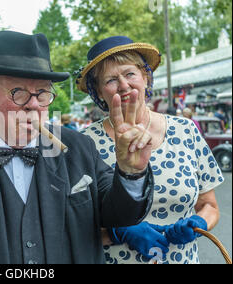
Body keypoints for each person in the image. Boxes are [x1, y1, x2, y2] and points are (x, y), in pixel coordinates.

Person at [0, 30, 155, 264]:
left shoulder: (78, 148)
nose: (34, 105)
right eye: (19, 93)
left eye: (43, 93)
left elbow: (120, 215)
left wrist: (131, 172)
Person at [77, 36, 223, 264]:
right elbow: (70, 229)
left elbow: (209, 205)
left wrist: (201, 222)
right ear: (98, 92)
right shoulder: (83, 144)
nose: (124, 85)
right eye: (111, 80)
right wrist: (117, 232)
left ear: (146, 77)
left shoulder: (185, 130)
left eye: (130, 74)